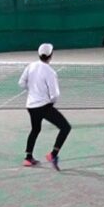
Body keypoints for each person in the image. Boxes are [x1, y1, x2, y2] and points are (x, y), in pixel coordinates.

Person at [18, 43, 72, 171]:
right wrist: (50, 102)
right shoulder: (50, 72)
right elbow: (55, 94)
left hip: (31, 106)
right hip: (44, 106)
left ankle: (28, 158)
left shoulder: (31, 66)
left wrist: (33, 91)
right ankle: (53, 154)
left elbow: (21, 83)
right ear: (51, 55)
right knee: (65, 127)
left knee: (35, 129)